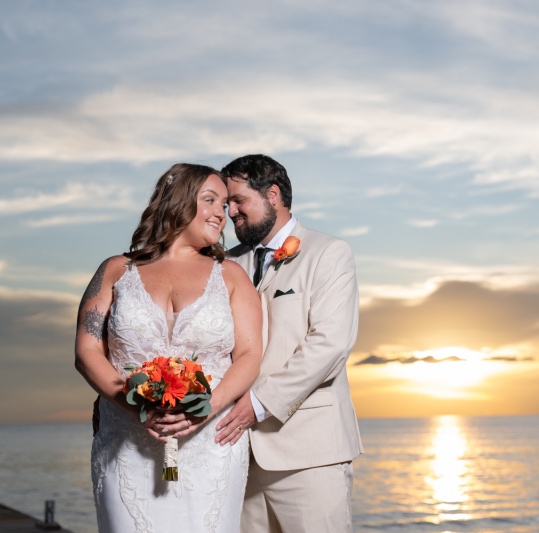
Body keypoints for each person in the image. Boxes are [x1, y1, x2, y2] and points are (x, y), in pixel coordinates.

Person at [75, 163, 262, 533]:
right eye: (210, 200)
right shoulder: (116, 270)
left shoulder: (231, 275)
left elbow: (250, 355)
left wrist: (204, 412)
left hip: (211, 445)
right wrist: (133, 407)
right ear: (177, 201)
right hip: (125, 442)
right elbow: (86, 351)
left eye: (224, 205)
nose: (221, 214)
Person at [213, 154, 364, 532]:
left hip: (309, 454)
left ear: (274, 195)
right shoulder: (225, 264)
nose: (230, 212)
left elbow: (329, 345)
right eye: (226, 203)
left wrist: (259, 404)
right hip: (237, 453)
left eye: (238, 201)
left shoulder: (329, 253)